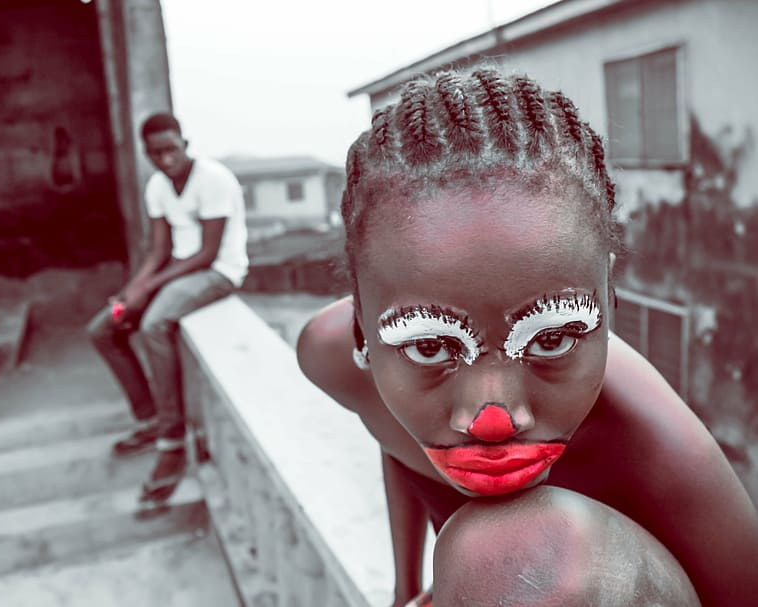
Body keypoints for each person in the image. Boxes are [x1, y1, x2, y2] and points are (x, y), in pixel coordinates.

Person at [296, 67, 758, 606]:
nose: (493, 417)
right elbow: (392, 439)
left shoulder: (664, 451)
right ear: (361, 330)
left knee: (511, 555)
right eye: (429, 347)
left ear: (610, 303)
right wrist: (405, 589)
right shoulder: (331, 357)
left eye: (552, 339)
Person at [88, 112, 248, 502]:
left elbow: (208, 254)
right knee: (104, 327)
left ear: (185, 144)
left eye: (170, 149)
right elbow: (158, 250)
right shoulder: (158, 186)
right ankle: (149, 420)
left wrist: (151, 289)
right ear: (146, 153)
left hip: (215, 274)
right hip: (175, 274)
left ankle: (171, 440)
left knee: (153, 325)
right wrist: (131, 291)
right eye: (155, 152)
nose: (165, 159)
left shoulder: (213, 179)